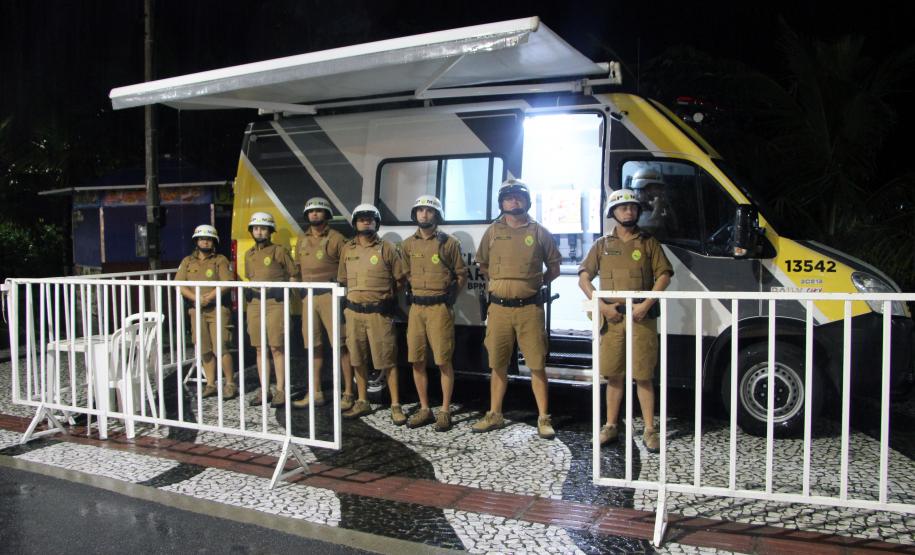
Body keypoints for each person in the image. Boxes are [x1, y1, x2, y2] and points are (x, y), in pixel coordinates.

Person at [577, 189, 673, 453]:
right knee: (614, 375)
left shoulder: (648, 242)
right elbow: (584, 278)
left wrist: (646, 305)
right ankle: (610, 426)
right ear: (613, 213)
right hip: (613, 319)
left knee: (643, 375)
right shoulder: (602, 245)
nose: (628, 211)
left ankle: (650, 429)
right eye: (622, 208)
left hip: (641, 318)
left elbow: (664, 276)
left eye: (632, 207)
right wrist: (602, 307)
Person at [472, 178, 562, 439]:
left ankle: (543, 418)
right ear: (502, 203)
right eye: (509, 198)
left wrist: (533, 284)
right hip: (499, 310)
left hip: (529, 310)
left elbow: (554, 268)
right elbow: (482, 264)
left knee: (536, 364)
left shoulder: (539, 232)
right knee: (498, 364)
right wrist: (502, 284)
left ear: (527, 201)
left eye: (518, 197)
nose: (514, 201)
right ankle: (495, 414)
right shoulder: (492, 231)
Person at [337, 203, 408, 425]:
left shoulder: (387, 248)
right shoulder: (347, 249)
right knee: (357, 358)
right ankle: (362, 400)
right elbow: (343, 280)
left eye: (370, 218)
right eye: (362, 219)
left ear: (376, 222)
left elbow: (400, 279)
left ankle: (395, 405)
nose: (366, 222)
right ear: (355, 223)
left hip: (379, 314)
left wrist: (386, 298)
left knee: (387, 360)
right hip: (353, 313)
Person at [401, 195, 466, 431]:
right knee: (416, 360)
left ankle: (445, 411)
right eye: (420, 210)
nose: (424, 214)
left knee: (443, 361)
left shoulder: (449, 243)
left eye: (429, 211)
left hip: (440, 309)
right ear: (415, 214)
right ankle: (425, 408)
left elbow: (461, 274)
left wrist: (451, 296)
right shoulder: (407, 244)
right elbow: (406, 273)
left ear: (436, 215)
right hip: (416, 309)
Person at [291, 197, 355, 411]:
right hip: (309, 297)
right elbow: (296, 269)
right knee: (313, 346)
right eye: (311, 211)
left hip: (331, 296)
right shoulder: (302, 239)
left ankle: (348, 393)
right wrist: (298, 290)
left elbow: (348, 268)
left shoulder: (337, 238)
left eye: (319, 211)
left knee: (341, 346)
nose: (315, 214)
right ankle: (315, 392)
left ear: (327, 214)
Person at [175, 224, 236, 399]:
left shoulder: (220, 260)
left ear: (214, 242)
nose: (205, 242)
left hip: (217, 309)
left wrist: (208, 297)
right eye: (202, 239)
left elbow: (226, 283)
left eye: (209, 239)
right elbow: (180, 285)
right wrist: (195, 299)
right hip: (196, 310)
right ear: (196, 241)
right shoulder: (187, 261)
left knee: (221, 347)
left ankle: (230, 384)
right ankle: (210, 384)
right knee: (204, 349)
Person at [244, 212, 297, 408]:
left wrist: (288, 296)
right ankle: (264, 389)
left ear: (270, 231)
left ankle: (281, 390)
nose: (259, 232)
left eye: (263, 228)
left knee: (276, 347)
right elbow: (250, 278)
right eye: (256, 228)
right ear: (252, 231)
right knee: (260, 348)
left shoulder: (279, 251)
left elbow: (293, 274)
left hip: (275, 302)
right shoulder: (248, 254)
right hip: (255, 303)